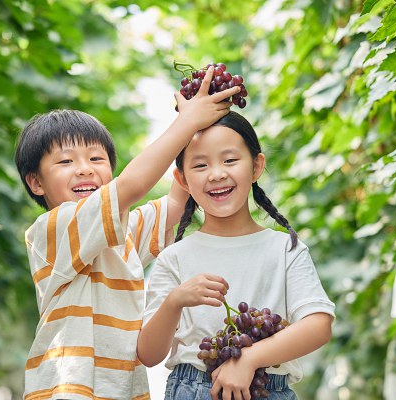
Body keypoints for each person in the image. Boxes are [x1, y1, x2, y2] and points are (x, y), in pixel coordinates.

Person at [14, 67, 241, 400]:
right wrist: (186, 123)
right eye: (65, 162)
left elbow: (177, 201)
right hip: (66, 389)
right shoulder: (53, 228)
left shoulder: (120, 232)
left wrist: (199, 132)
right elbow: (133, 185)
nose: (84, 168)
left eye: (96, 158)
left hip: (121, 389)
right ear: (36, 183)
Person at [136, 111, 336, 400]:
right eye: (201, 165)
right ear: (182, 179)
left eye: (230, 160)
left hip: (268, 389)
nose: (217, 174)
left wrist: (250, 358)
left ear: (256, 166)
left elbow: (318, 324)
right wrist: (174, 301)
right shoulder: (174, 257)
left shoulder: (284, 249)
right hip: (192, 390)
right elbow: (149, 353)